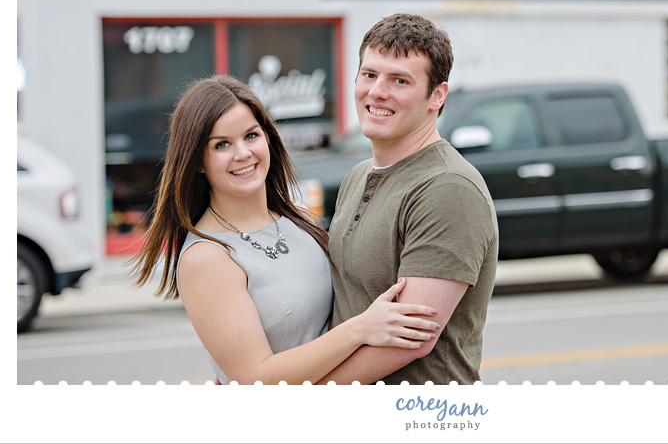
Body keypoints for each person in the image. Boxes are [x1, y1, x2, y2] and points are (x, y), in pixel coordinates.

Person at [130, 75, 441, 385]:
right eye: (222, 144)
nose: (243, 153)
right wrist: (359, 329)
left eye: (251, 135)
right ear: (197, 160)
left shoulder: (298, 217)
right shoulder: (207, 258)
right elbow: (255, 380)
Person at [318, 13, 499, 385]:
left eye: (399, 80)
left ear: (437, 96)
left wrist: (303, 391)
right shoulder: (357, 177)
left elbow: (410, 340)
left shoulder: (448, 187)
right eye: (369, 74)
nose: (377, 92)